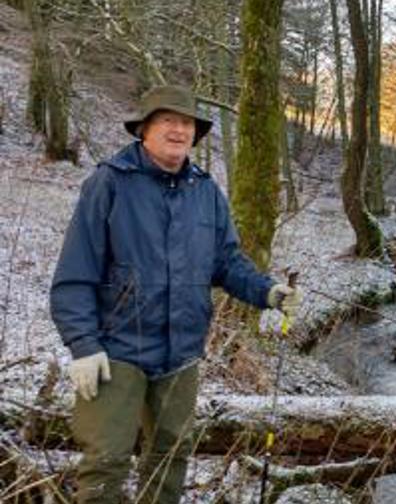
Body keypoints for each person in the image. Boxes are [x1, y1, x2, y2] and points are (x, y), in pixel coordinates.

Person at [49, 85, 300, 504]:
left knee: (171, 455)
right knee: (107, 460)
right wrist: (83, 345)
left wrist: (268, 292)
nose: (179, 130)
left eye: (186, 124)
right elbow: (75, 273)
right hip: (116, 349)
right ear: (144, 129)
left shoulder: (205, 193)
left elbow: (226, 263)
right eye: (168, 121)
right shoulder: (110, 183)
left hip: (182, 350)